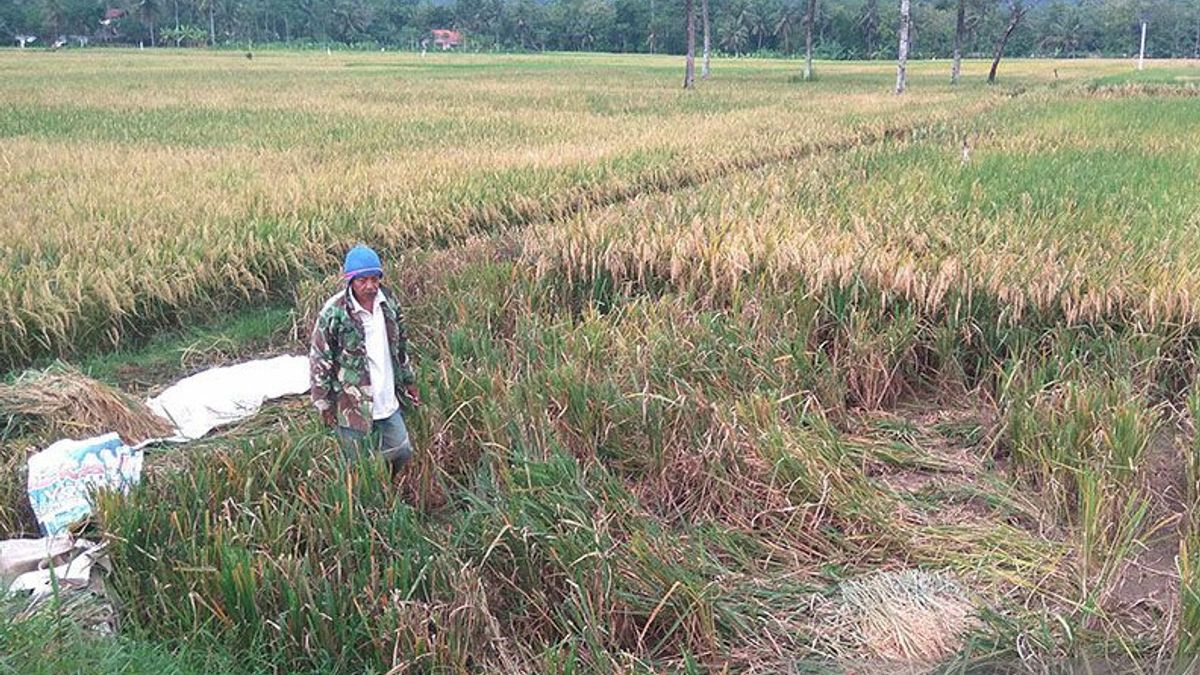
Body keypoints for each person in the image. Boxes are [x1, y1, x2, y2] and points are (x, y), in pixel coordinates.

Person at [310, 244, 419, 472]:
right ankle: (370, 500)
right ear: (350, 280)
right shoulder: (334, 312)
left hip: (387, 397)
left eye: (374, 279)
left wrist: (409, 380)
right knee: (358, 465)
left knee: (402, 450)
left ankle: (390, 487)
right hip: (352, 403)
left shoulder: (388, 303)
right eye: (362, 281)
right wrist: (324, 403)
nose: (370, 286)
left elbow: (400, 346)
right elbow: (320, 359)